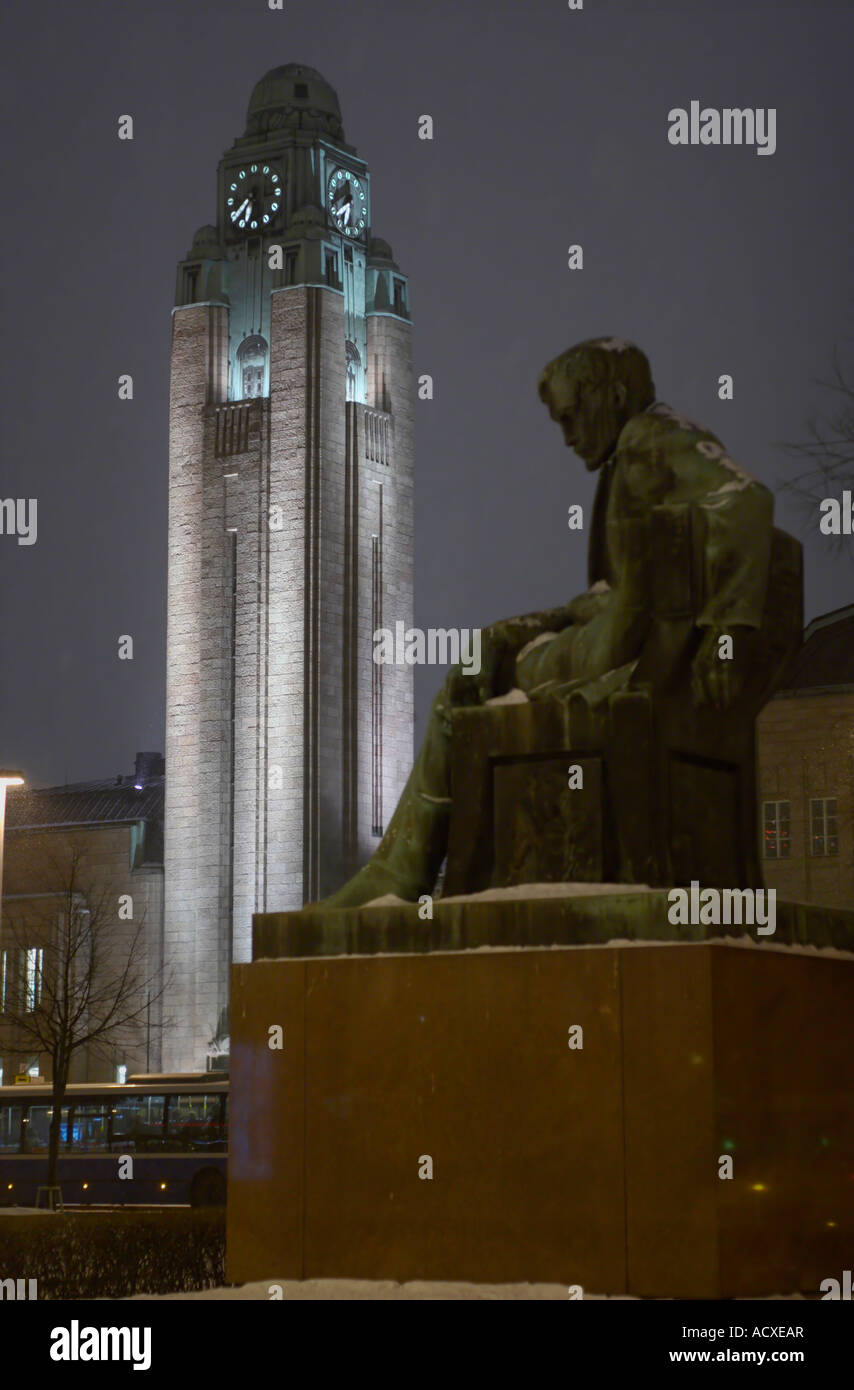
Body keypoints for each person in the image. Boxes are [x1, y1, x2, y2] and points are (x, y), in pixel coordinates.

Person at [319, 337, 773, 909]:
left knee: (460, 690)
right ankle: (399, 869)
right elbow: (612, 594)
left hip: (614, 657)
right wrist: (525, 625)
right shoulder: (633, 454)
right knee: (480, 653)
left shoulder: (649, 439)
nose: (568, 434)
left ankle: (401, 872)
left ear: (612, 393)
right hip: (610, 641)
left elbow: (747, 496)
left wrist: (730, 631)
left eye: (573, 415)